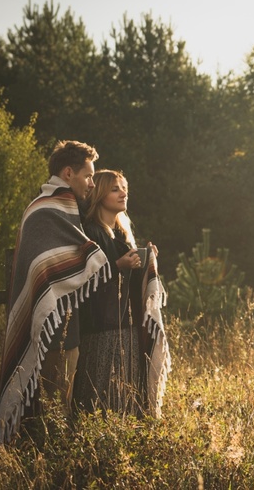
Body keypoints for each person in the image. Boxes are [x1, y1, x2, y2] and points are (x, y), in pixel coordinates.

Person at [0, 140, 109, 444]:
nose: (92, 184)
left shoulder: (60, 205)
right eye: (88, 176)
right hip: (53, 329)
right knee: (55, 403)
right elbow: (52, 266)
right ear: (68, 173)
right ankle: (51, 457)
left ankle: (49, 452)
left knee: (59, 401)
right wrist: (97, 256)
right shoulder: (48, 208)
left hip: (63, 323)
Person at [73, 169, 171, 417]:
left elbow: (129, 277)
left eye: (124, 188)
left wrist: (148, 258)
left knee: (124, 395)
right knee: (102, 396)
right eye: (115, 189)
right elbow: (86, 278)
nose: (123, 193)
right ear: (100, 194)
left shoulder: (119, 232)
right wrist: (119, 266)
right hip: (101, 327)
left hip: (124, 325)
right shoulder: (92, 231)